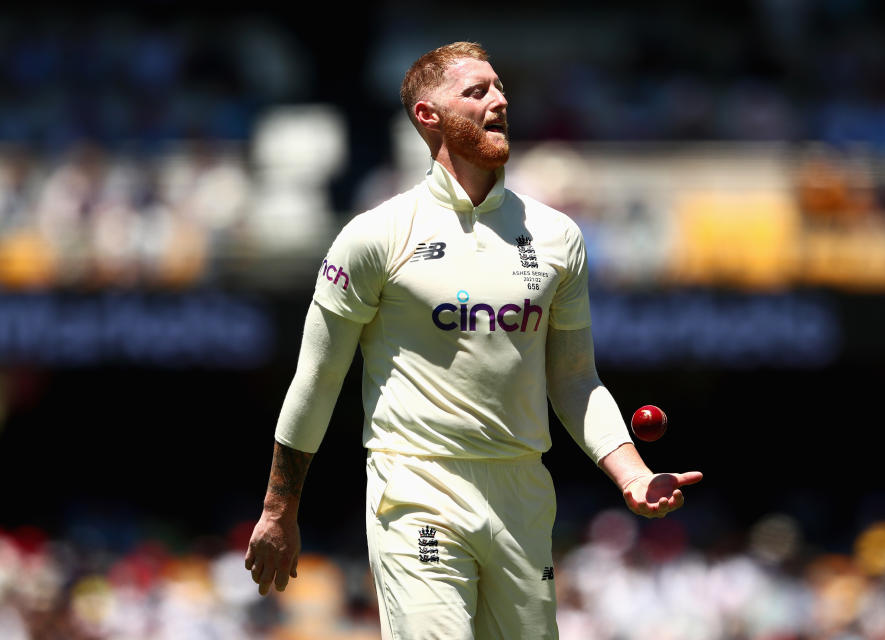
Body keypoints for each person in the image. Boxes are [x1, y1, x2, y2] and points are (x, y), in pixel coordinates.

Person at [245, 41, 703, 639]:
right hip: (416, 484)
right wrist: (280, 509)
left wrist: (633, 474)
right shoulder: (375, 236)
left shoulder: (558, 235)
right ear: (427, 117)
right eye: (476, 91)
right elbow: (318, 378)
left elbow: (574, 379)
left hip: (522, 492)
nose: (499, 101)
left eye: (500, 88)